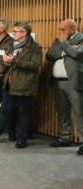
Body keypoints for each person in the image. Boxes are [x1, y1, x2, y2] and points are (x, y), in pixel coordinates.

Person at [0, 21, 43, 149]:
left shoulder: (35, 48)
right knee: (4, 111)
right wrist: (6, 64)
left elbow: (35, 65)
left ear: (24, 33)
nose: (13, 33)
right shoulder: (13, 46)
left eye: (16, 31)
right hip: (10, 83)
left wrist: (14, 61)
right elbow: (6, 62)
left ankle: (22, 139)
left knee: (23, 113)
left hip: (25, 85)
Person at [46, 19, 83, 155]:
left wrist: (64, 45)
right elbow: (49, 55)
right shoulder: (60, 40)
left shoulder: (81, 39)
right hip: (58, 81)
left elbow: (77, 54)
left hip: (74, 82)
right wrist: (64, 50)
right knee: (63, 112)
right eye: (60, 29)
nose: (60, 32)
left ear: (72, 29)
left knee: (79, 113)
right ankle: (64, 138)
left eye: (63, 29)